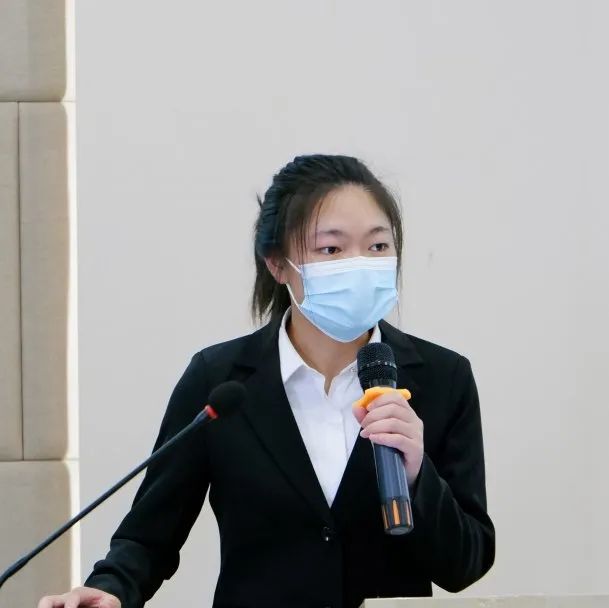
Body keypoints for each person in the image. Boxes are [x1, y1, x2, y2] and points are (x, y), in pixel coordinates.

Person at [39, 154, 495, 608]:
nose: (359, 264)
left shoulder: (443, 377)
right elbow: (148, 537)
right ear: (278, 264)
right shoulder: (219, 380)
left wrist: (417, 475)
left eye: (377, 246)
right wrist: (111, 590)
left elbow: (467, 563)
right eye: (331, 249)